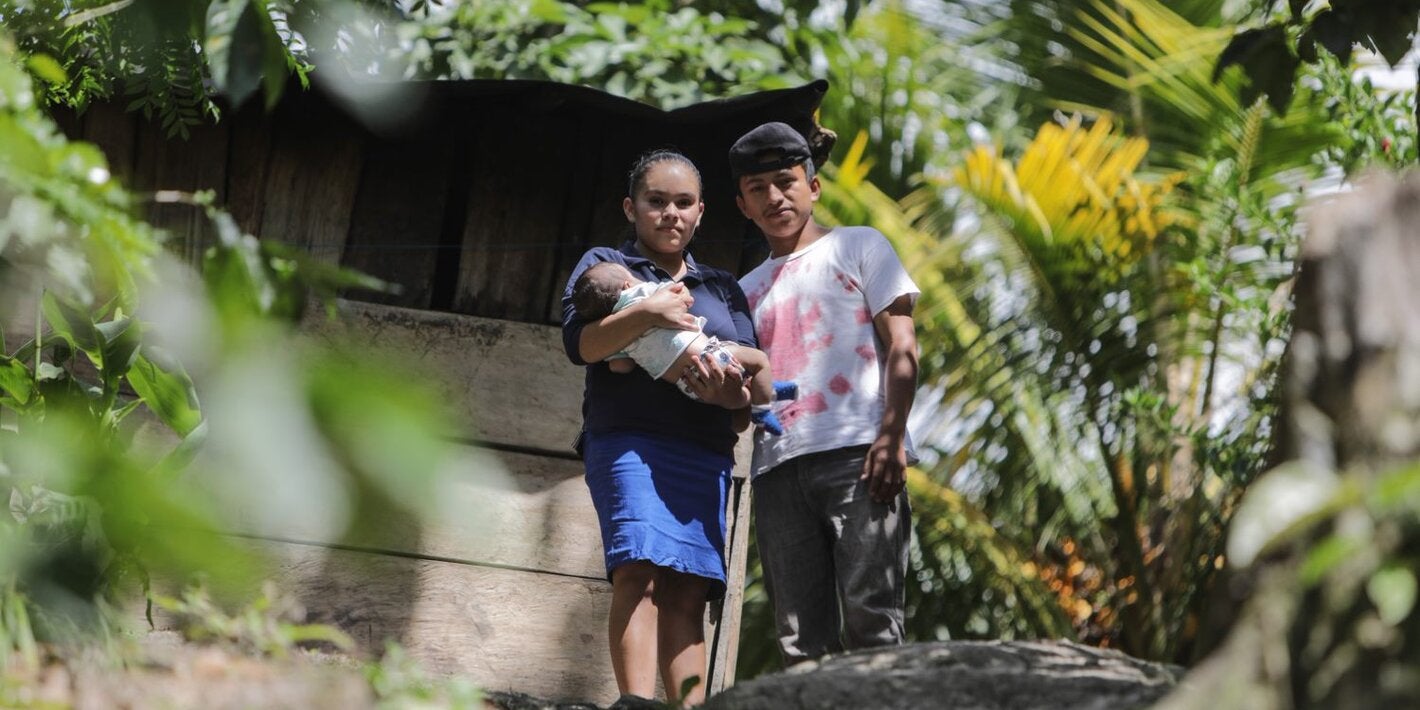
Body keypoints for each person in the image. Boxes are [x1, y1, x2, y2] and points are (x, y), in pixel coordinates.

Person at [561, 148, 755, 707]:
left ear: (701, 213)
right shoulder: (606, 267)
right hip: (629, 444)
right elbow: (583, 346)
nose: (670, 213)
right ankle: (636, 702)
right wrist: (649, 313)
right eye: (656, 201)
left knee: (690, 587)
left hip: (705, 451)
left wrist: (729, 398)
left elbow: (746, 399)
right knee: (639, 569)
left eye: (683, 203)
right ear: (631, 207)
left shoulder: (722, 288)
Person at [730, 122, 921, 666]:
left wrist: (890, 438)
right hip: (776, 469)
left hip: (858, 456)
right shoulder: (742, 293)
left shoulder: (859, 245)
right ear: (741, 204)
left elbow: (903, 346)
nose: (774, 196)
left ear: (812, 186)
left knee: (872, 619)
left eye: (786, 181)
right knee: (799, 641)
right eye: (757, 188)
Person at [570, 260, 796, 435]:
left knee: (737, 392)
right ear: (628, 285)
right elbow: (683, 296)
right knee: (758, 361)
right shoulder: (645, 293)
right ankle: (763, 407)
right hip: (712, 354)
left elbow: (621, 367)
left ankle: (763, 396)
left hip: (688, 386)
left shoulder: (619, 331)